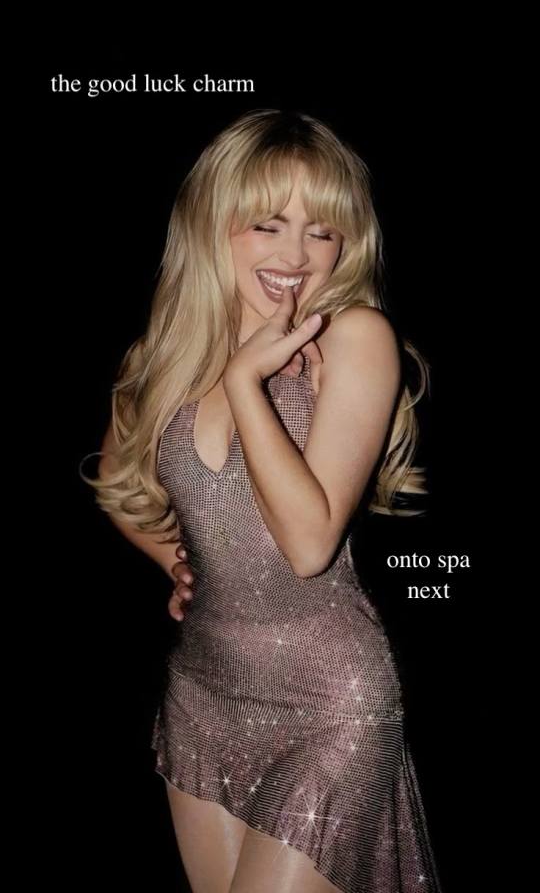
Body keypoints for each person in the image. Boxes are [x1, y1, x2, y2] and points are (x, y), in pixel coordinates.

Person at [81, 109, 443, 893]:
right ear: (212, 224)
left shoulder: (351, 338)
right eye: (267, 225)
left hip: (328, 705)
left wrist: (247, 382)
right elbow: (114, 477)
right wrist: (174, 560)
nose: (296, 255)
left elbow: (309, 545)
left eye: (322, 231)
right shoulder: (170, 354)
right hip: (203, 691)